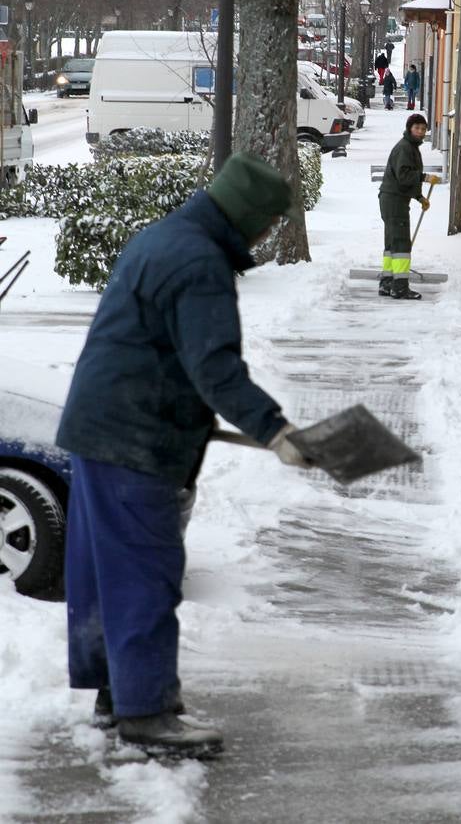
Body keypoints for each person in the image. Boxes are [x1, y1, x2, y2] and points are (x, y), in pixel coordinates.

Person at [56, 152, 311, 759]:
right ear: (248, 216)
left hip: (100, 429)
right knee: (144, 571)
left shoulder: (164, 237)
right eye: (268, 223)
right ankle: (146, 714)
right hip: (138, 439)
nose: (267, 234)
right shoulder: (198, 263)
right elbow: (214, 367)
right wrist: (274, 430)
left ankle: (117, 695)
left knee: (106, 572)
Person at [378, 114, 440, 300]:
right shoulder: (405, 148)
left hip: (391, 199)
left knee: (391, 243)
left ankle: (387, 283)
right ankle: (400, 287)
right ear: (409, 128)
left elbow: (403, 180)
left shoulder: (409, 147)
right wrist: (424, 177)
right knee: (401, 245)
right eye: (417, 128)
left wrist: (420, 197)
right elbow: (404, 176)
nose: (420, 132)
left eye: (423, 129)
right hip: (395, 201)